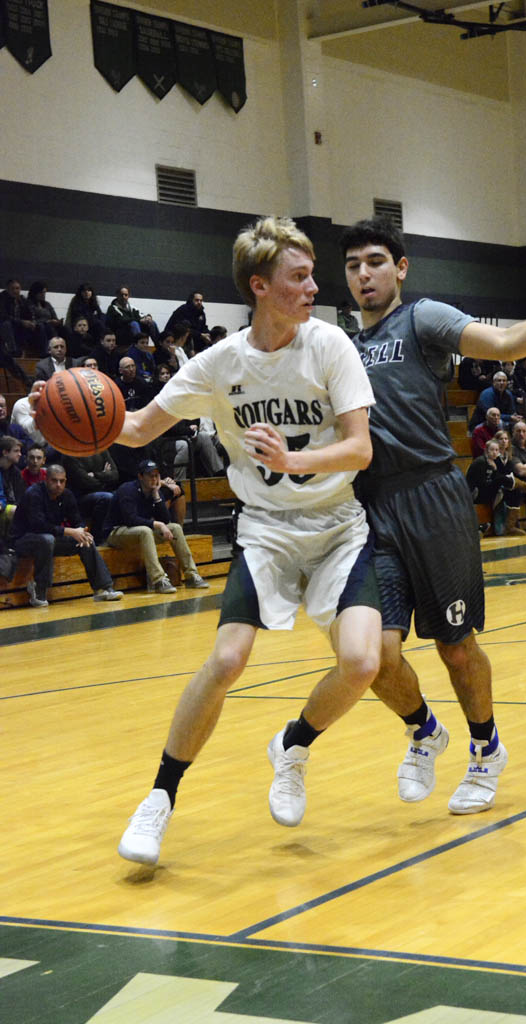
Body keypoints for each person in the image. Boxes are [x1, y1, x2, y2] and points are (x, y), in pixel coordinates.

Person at [112, 216, 381, 865]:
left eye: (314, 273)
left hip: (335, 526)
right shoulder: (218, 364)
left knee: (363, 663)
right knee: (229, 660)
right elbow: (139, 428)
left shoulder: (331, 347)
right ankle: (159, 800)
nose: (315, 286)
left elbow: (360, 448)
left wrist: (295, 462)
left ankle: (293, 743)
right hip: (264, 529)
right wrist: (53, 416)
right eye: (300, 276)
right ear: (260, 286)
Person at [339, 216, 526, 814]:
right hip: (374, 506)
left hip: (434, 499)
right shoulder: (342, 343)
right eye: (354, 265)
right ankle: (425, 730)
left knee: (456, 647)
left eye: (376, 262)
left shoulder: (423, 317)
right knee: (372, 657)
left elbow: (507, 345)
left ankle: (486, 750)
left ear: (400, 268)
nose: (364, 274)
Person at [10, 463, 123, 607]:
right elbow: (38, 525)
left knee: (85, 540)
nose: (58, 485)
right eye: (54, 480)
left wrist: (82, 530)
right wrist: (70, 531)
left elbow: (77, 519)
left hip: (48, 540)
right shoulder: (34, 494)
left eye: (62, 481)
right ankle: (39, 589)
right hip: (22, 540)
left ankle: (102, 588)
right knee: (47, 539)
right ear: (46, 480)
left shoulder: (67, 495)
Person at [104, 459, 207, 593]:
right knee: (146, 531)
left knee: (175, 528)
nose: (154, 479)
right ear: (140, 476)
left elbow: (165, 519)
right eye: (150, 476)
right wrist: (157, 524)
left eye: (157, 475)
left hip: (139, 532)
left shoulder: (154, 490)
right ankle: (158, 580)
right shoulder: (127, 490)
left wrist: (157, 496)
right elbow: (130, 519)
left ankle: (192, 574)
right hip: (116, 532)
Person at [466, 438, 526, 536]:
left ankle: (510, 527)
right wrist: (497, 479)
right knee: (501, 479)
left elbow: (498, 477)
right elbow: (480, 484)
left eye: (497, 450)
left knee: (514, 491)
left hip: (486, 490)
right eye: (492, 450)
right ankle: (523, 485)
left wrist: (496, 471)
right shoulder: (480, 462)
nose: (495, 452)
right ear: (486, 451)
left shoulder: (494, 462)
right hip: (475, 494)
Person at [62, 447, 119, 544]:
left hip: (100, 492)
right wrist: (105, 475)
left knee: (119, 495)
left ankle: (112, 536)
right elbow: (84, 482)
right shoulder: (70, 453)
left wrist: (96, 475)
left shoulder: (101, 449)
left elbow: (115, 475)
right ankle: (98, 538)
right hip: (80, 499)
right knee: (106, 497)